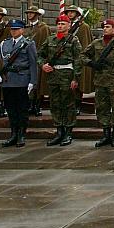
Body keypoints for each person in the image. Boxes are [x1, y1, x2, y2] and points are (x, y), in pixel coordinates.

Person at [81, 19, 114, 148]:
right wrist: (92, 63)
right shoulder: (96, 43)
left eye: (108, 27)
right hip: (100, 80)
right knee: (102, 108)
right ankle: (106, 134)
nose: (105, 29)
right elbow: (83, 55)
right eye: (104, 27)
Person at [0, 19, 37, 147]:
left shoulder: (28, 44)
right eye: (12, 29)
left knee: (22, 109)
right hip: (7, 80)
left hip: (22, 80)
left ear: (22, 30)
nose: (13, 31)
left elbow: (33, 63)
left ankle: (21, 135)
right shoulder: (5, 43)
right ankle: (13, 134)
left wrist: (33, 81)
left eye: (16, 29)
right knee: (10, 109)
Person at [38, 14, 82, 146]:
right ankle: (59, 131)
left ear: (69, 25)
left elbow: (78, 60)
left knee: (68, 104)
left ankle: (68, 132)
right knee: (55, 104)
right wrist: (43, 65)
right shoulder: (50, 39)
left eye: (63, 24)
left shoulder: (73, 40)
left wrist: (75, 78)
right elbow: (40, 54)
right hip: (53, 75)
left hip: (67, 75)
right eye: (58, 24)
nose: (60, 26)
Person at [64, 5, 92, 115]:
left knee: (78, 83)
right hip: (66, 58)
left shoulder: (83, 27)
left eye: (72, 12)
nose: (70, 14)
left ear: (77, 14)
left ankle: (77, 106)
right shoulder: (66, 25)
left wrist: (81, 57)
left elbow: (85, 43)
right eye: (68, 12)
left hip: (77, 57)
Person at [23, 5, 49, 116]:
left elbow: (46, 43)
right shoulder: (25, 27)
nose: (29, 14)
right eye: (28, 13)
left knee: (38, 83)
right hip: (26, 59)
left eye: (32, 13)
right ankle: (30, 105)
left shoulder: (43, 27)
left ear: (37, 15)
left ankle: (37, 106)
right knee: (29, 82)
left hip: (38, 58)